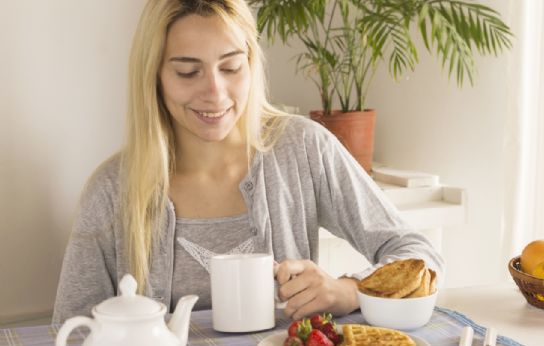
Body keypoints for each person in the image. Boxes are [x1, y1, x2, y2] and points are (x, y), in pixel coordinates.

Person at [52, 0, 444, 324]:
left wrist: (347, 290)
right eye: (188, 72)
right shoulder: (112, 188)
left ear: (252, 64)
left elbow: (417, 254)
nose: (214, 92)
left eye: (230, 67)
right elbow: (70, 329)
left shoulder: (302, 148)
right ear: (154, 77)